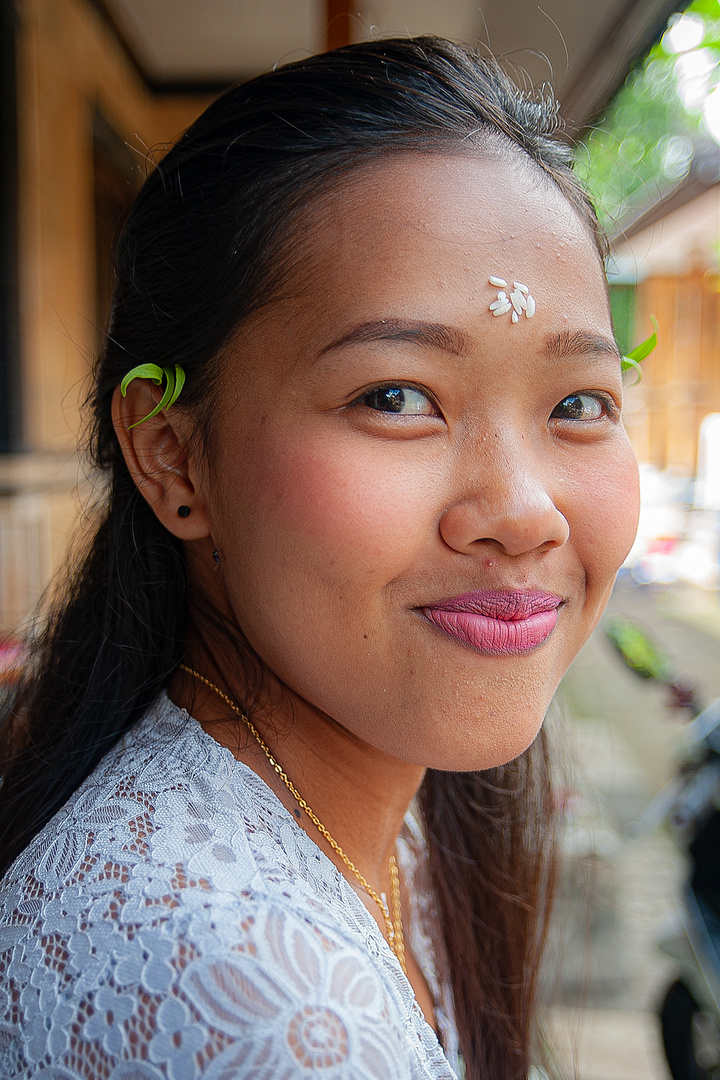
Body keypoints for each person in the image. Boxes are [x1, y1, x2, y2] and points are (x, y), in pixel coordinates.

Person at [0, 36, 640, 1080]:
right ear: (172, 454)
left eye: (579, 404)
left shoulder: (377, 799)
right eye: (396, 398)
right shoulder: (257, 1001)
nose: (523, 514)